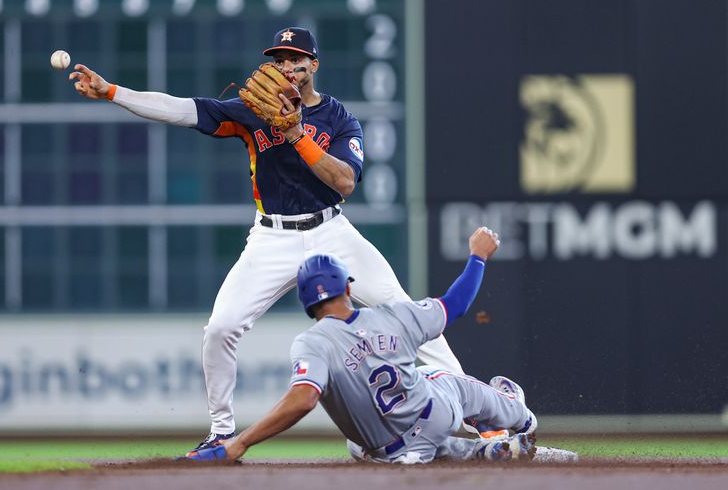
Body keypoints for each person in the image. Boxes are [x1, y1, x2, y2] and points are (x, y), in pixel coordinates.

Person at [68, 26, 466, 450]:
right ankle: (221, 430)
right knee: (221, 328)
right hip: (271, 236)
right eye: (279, 60)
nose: (286, 67)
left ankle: (481, 414)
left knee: (405, 310)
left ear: (313, 65)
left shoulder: (338, 119)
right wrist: (113, 91)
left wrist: (296, 133)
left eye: (295, 59)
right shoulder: (251, 110)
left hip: (332, 232)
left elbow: (345, 182)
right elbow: (181, 109)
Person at [184, 226, 542, 464]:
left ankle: (480, 452)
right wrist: (477, 257)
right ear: (349, 288)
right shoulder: (392, 315)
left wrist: (240, 441)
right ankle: (519, 413)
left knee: (359, 445)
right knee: (440, 377)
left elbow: (304, 397)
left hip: (388, 451)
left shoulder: (312, 344)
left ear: (307, 304)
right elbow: (458, 303)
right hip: (435, 413)